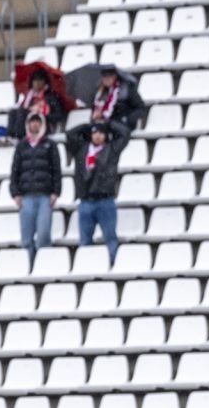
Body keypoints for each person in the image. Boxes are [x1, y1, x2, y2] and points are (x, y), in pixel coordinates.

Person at [8, 113, 61, 266]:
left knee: (44, 234)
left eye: (38, 122)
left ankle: (42, 265)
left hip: (45, 195)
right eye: (32, 122)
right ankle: (29, 265)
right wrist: (15, 193)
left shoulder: (50, 145)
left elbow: (56, 170)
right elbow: (15, 171)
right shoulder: (22, 146)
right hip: (26, 196)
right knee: (26, 237)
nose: (35, 125)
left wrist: (55, 192)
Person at [71, 122, 124, 262]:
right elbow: (70, 134)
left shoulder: (111, 150)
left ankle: (112, 264)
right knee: (85, 239)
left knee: (110, 237)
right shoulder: (82, 150)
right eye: (95, 133)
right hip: (86, 200)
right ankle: (87, 265)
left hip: (105, 200)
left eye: (101, 133)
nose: (98, 136)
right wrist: (88, 125)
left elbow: (125, 133)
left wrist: (108, 124)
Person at [87, 64, 146, 136]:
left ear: (115, 76)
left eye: (109, 76)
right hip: (103, 125)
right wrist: (94, 116)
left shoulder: (126, 89)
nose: (106, 79)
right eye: (104, 76)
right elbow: (95, 109)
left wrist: (127, 119)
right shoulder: (99, 92)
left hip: (123, 123)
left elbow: (141, 108)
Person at [8, 67, 64, 134]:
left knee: (22, 112)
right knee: (13, 112)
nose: (37, 83)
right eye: (35, 80)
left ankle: (19, 136)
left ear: (45, 82)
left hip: (44, 124)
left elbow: (59, 115)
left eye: (40, 80)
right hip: (29, 122)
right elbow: (23, 108)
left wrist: (42, 116)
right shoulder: (29, 96)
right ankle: (11, 135)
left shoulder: (51, 96)